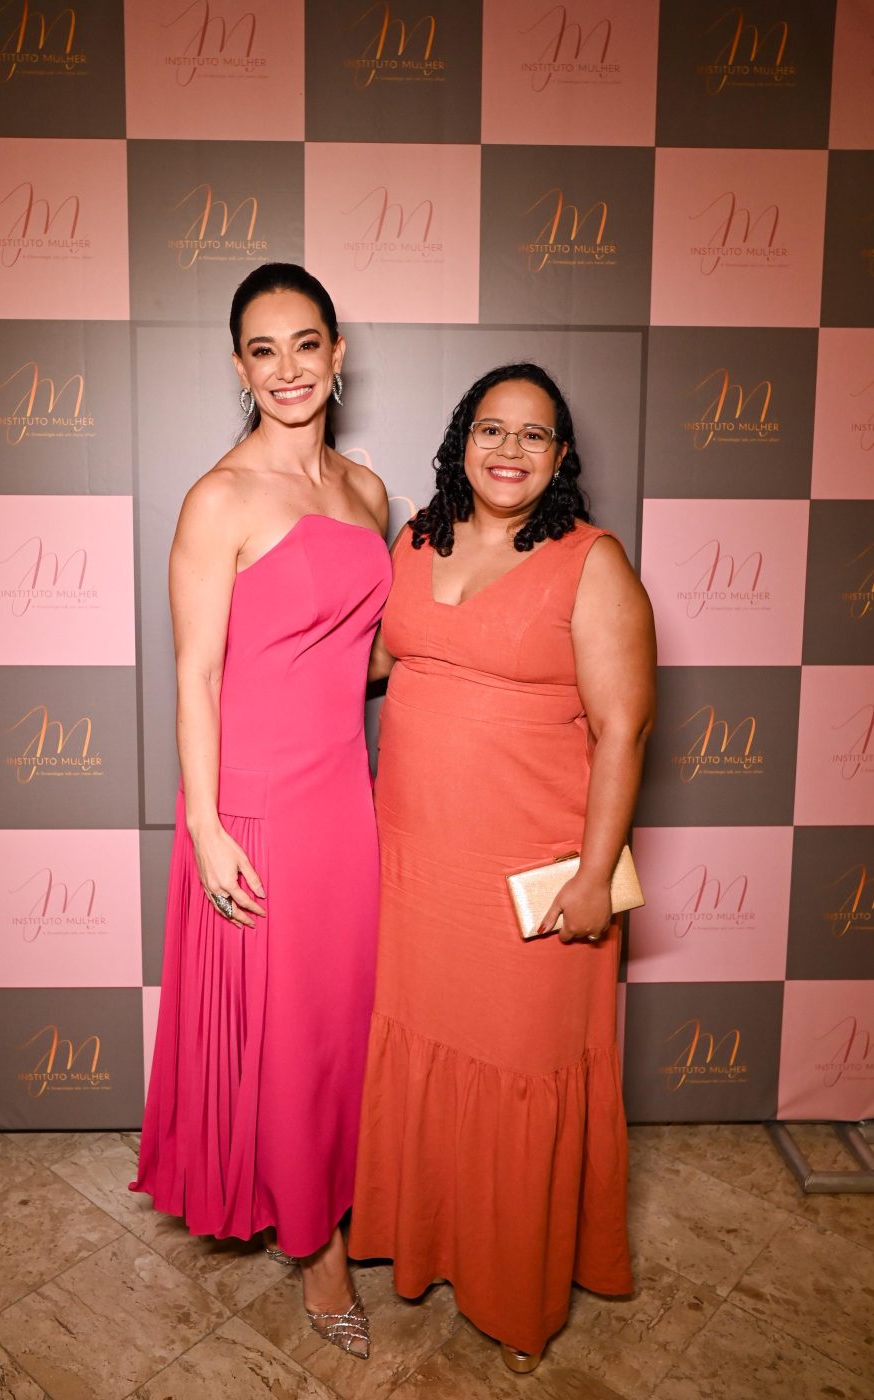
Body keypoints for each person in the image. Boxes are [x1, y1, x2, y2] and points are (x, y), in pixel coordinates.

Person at [349, 362, 656, 1372]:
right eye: (492, 429)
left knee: (519, 1071)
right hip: (412, 864)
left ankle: (513, 1289)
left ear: (562, 456)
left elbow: (623, 729)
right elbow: (374, 662)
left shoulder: (590, 560)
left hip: (529, 872)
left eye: (534, 434)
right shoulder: (416, 539)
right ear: (459, 440)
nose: (509, 450)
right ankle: (423, 1242)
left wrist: (592, 872)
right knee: (419, 1045)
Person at [131, 263, 390, 1359]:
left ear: (339, 353)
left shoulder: (368, 491)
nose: (286, 368)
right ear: (239, 367)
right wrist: (204, 824)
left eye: (305, 343)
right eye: (261, 348)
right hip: (258, 805)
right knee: (285, 1033)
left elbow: (372, 657)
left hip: (347, 797)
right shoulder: (219, 497)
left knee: (344, 1021)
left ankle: (350, 1190)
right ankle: (317, 1245)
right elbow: (193, 675)